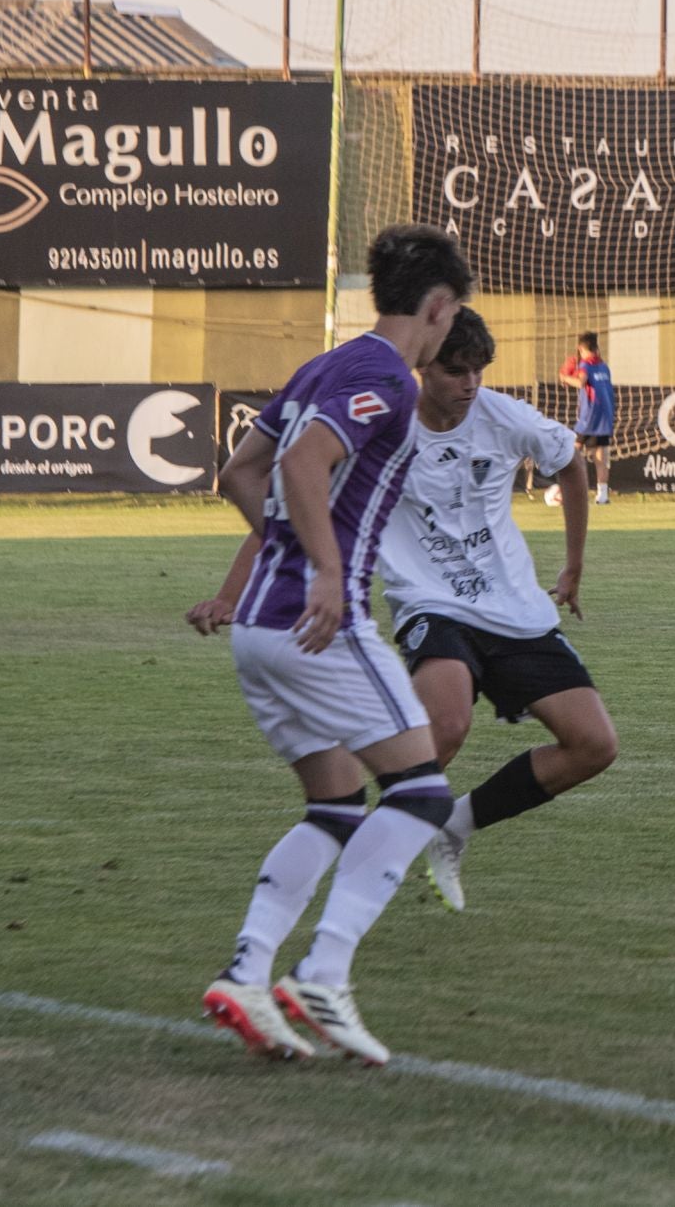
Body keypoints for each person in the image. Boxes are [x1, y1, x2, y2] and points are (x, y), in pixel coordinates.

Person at [188, 224, 473, 1063]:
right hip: (319, 627)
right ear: (439, 307)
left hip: (260, 632)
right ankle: (324, 972)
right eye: (455, 318)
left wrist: (282, 551)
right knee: (420, 794)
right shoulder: (384, 373)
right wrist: (319, 566)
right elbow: (303, 466)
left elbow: (241, 471)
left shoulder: (326, 364)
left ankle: (246, 972)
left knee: (336, 804)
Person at [367, 307, 619, 913]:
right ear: (424, 366)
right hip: (429, 602)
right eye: (456, 371)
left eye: (479, 370)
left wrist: (574, 565)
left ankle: (455, 826)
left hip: (512, 606)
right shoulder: (385, 423)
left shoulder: (501, 416)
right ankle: (368, 852)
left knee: (594, 744)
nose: (470, 384)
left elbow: (571, 463)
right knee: (447, 725)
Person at [558, 332, 615, 505]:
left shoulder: (585, 366)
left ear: (581, 349)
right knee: (601, 456)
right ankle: (602, 495)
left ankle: (566, 492)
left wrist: (565, 378)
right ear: (596, 348)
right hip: (605, 416)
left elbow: (581, 382)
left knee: (573, 453)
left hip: (589, 416)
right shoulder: (604, 367)